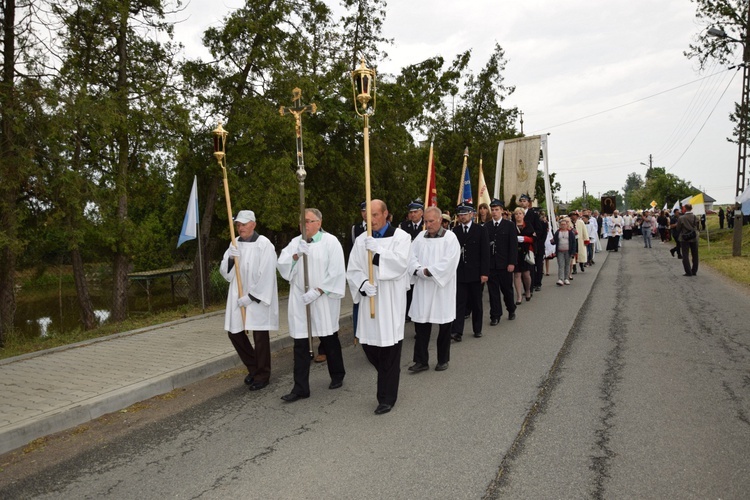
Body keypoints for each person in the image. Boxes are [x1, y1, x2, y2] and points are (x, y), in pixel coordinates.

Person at [346, 199, 411, 415]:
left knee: (390, 350)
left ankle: (386, 398)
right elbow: (353, 269)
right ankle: (387, 374)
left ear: (386, 215)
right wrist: (363, 285)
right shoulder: (362, 240)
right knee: (370, 347)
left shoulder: (401, 237)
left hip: (390, 300)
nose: (370, 218)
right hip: (369, 301)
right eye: (368, 214)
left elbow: (401, 264)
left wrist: (379, 255)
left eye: (375, 214)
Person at [277, 209, 346, 402]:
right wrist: (296, 255)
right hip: (300, 299)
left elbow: (337, 271)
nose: (304, 225)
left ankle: (337, 374)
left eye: (308, 221)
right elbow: (282, 265)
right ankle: (300, 388)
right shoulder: (295, 242)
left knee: (329, 338)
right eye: (301, 221)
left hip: (322, 297)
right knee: (300, 343)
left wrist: (318, 291)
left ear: (319, 222)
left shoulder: (330, 242)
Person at [220, 210, 279, 391]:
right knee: (234, 332)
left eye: (244, 224)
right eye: (238, 224)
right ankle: (253, 367)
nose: (240, 228)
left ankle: (263, 374)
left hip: (257, 296)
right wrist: (230, 258)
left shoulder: (264, 245)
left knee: (260, 336)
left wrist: (252, 297)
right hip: (238, 294)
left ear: (253, 224)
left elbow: (268, 273)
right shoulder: (234, 243)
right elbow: (226, 273)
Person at [407, 206, 461, 372]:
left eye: (431, 221)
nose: (428, 224)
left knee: (444, 325)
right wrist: (417, 269)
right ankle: (421, 361)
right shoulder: (420, 238)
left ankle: (442, 359)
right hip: (423, 288)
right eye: (426, 221)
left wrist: (429, 271)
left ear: (440, 220)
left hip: (441, 289)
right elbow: (410, 256)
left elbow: (449, 262)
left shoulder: (450, 238)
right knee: (421, 325)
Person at [451, 203, 490, 341]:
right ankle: (457, 331)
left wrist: (484, 273)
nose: (462, 217)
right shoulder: (454, 231)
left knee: (476, 303)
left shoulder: (480, 230)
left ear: (472, 214)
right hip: (460, 273)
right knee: (459, 303)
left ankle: (477, 328)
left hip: (475, 273)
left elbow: (485, 253)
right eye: (460, 214)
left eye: (465, 214)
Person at [485, 199, 518, 325]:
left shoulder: (509, 225)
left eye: (497, 210)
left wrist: (512, 263)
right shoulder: (487, 227)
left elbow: (513, 246)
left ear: (502, 211)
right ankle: (495, 315)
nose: (494, 212)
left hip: (505, 264)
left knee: (507, 290)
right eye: (492, 210)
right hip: (491, 265)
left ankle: (511, 309)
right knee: (493, 292)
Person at [399, 198, 424, 322]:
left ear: (421, 212)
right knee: (408, 290)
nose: (412, 214)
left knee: (419, 292)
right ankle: (407, 312)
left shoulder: (426, 226)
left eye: (415, 212)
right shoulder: (404, 226)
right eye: (411, 212)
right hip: (407, 263)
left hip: (422, 263)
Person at [517, 194, 546, 292]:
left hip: (531, 244)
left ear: (528, 202)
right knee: (522, 268)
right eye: (521, 201)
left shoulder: (533, 214)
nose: (522, 202)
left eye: (524, 201)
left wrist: (534, 237)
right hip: (519, 246)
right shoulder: (516, 214)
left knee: (533, 265)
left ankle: (534, 285)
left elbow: (539, 229)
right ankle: (527, 287)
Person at [513, 207, 535, 303]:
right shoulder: (511, 225)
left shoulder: (528, 225)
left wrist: (525, 239)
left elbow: (534, 238)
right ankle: (518, 296)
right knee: (517, 274)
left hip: (525, 252)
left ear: (523, 215)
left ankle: (527, 290)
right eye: (516, 214)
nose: (518, 215)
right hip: (515, 252)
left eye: (520, 213)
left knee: (526, 274)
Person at [551, 218, 577, 286]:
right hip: (560, 251)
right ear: (560, 225)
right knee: (561, 265)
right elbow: (555, 241)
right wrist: (552, 241)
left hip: (568, 251)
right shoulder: (557, 232)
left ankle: (566, 278)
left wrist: (573, 252)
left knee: (567, 265)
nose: (563, 226)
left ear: (566, 225)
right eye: (561, 224)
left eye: (564, 224)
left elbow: (574, 243)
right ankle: (561, 279)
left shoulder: (570, 232)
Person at [676, 203, 699, 277]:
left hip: (684, 238)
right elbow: (699, 228)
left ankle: (688, 271)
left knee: (685, 255)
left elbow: (678, 228)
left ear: (685, 209)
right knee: (695, 254)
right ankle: (694, 270)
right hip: (694, 237)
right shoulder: (696, 217)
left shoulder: (681, 218)